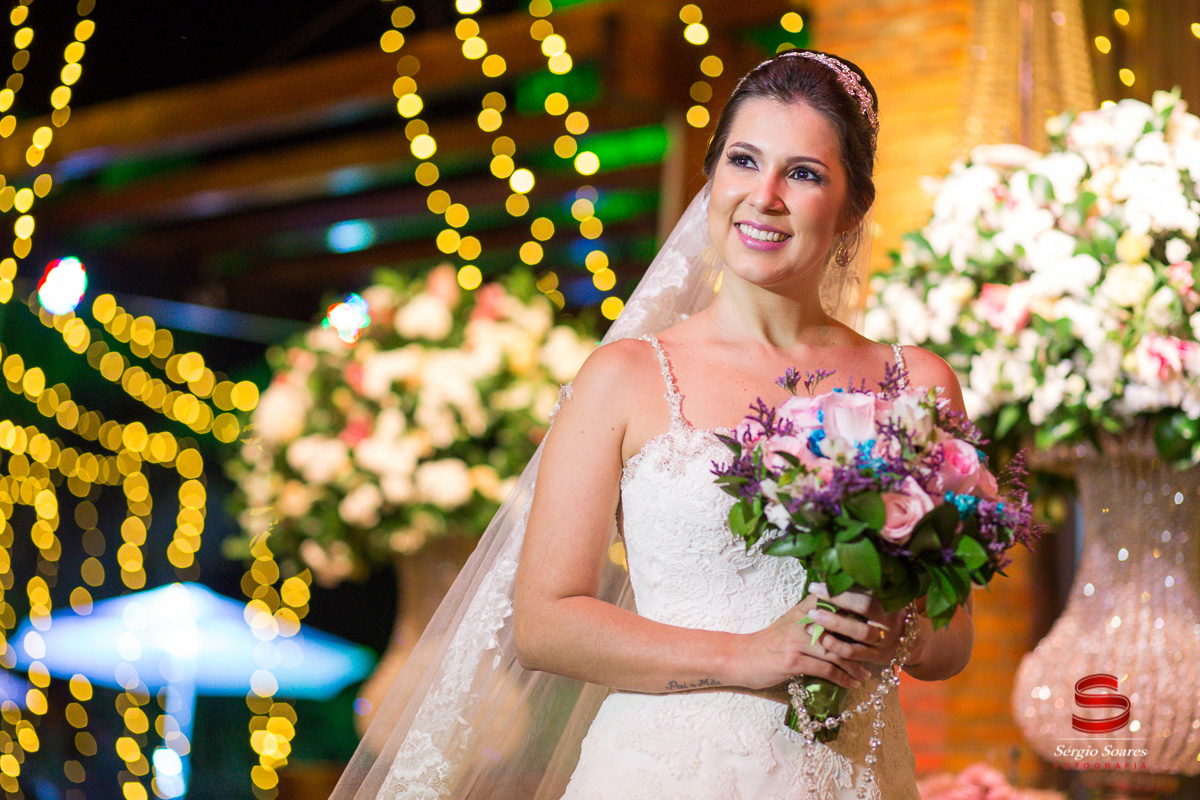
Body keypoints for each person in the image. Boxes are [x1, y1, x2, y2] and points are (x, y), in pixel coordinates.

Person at [329, 49, 974, 800]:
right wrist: (749, 655)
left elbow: (952, 640)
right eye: (743, 160)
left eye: (803, 173)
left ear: (853, 207)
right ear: (711, 180)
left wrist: (895, 628)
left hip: (853, 772)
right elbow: (545, 622)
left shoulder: (918, 384)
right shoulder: (626, 379)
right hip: (664, 773)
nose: (763, 196)